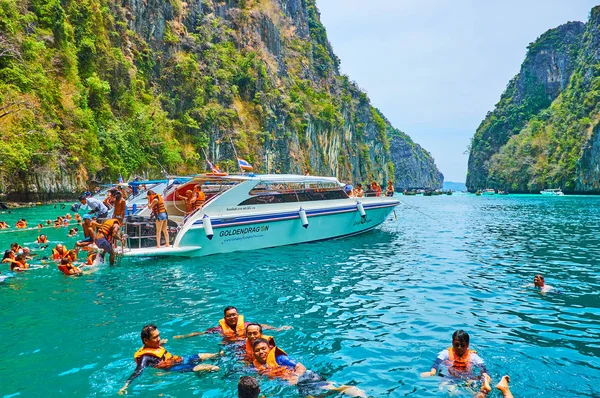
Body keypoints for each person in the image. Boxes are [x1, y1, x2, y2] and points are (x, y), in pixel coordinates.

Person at [118, 324, 219, 394]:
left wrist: (160, 343)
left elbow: (158, 349)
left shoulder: (154, 346)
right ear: (146, 340)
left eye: (159, 336)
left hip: (179, 359)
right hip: (173, 367)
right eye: (155, 337)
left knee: (215, 355)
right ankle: (200, 374)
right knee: (214, 368)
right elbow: (138, 371)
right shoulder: (145, 357)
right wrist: (126, 385)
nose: (158, 339)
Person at [252, 339, 366, 397]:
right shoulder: (257, 366)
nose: (261, 352)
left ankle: (356, 392)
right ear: (254, 353)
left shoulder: (280, 358)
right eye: (257, 350)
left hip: (304, 377)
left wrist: (295, 377)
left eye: (263, 348)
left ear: (269, 348)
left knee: (331, 387)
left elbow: (301, 367)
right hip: (298, 385)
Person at [421, 330, 491, 397]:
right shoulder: (446, 353)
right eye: (456, 344)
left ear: (467, 345)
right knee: (450, 392)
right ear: (452, 342)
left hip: (468, 378)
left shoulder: (473, 356)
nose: (459, 348)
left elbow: (483, 368)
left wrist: (485, 377)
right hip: (449, 378)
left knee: (476, 391)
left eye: (462, 345)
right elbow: (436, 364)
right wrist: (432, 372)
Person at [174, 306, 289, 341]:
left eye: (234, 314)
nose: (232, 317)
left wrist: (278, 329)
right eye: (229, 315)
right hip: (230, 346)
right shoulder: (219, 329)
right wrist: (184, 336)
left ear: (238, 315)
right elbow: (202, 333)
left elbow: (262, 326)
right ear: (225, 317)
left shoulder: (246, 325)